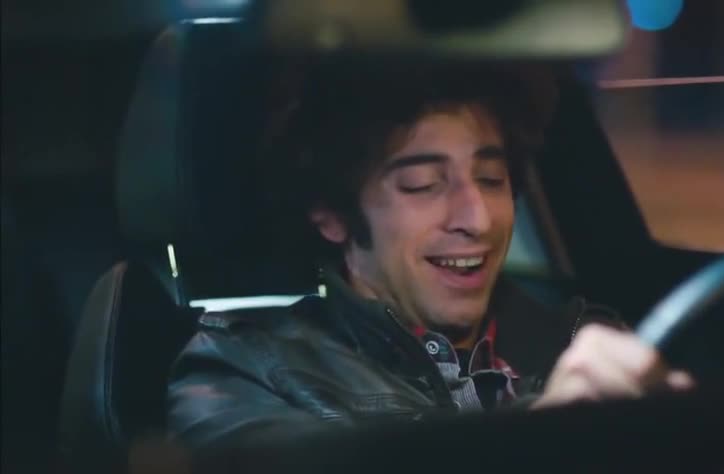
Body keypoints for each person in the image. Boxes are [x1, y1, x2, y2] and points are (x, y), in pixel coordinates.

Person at [166, 62, 694, 457]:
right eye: (422, 184)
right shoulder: (241, 370)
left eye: (491, 179)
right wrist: (538, 439)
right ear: (333, 216)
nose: (477, 219)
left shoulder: (582, 337)